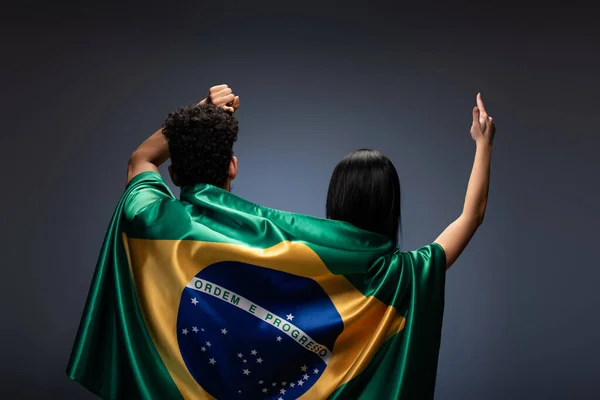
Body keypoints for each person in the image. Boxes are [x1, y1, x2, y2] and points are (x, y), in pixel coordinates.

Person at [67, 83, 495, 400]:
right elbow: (470, 218)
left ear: (175, 175)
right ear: (232, 166)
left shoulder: (150, 218)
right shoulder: (379, 275)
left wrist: (204, 114)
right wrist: (482, 145)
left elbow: (140, 159)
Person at [326, 94, 495, 269]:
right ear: (389, 207)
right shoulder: (407, 273)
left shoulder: (310, 272)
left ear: (336, 201)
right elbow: (472, 217)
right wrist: (484, 143)